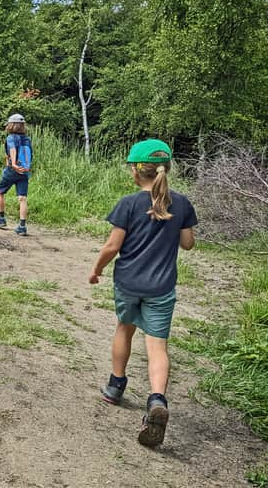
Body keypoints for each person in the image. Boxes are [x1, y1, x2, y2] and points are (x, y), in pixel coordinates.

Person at [88, 139, 197, 447]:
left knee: (124, 329)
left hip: (128, 284)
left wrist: (96, 270)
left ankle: (115, 387)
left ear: (136, 172)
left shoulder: (129, 204)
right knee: (157, 345)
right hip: (161, 288)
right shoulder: (182, 204)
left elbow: (112, 246)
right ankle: (157, 400)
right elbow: (188, 244)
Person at [0, 113, 32, 235]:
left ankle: (1, 219)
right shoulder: (27, 139)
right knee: (22, 198)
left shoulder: (11, 138)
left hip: (12, 169)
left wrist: (13, 164)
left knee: (0, 191)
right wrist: (26, 168)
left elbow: (13, 149)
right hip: (24, 170)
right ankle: (22, 226)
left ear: (11, 125)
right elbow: (30, 154)